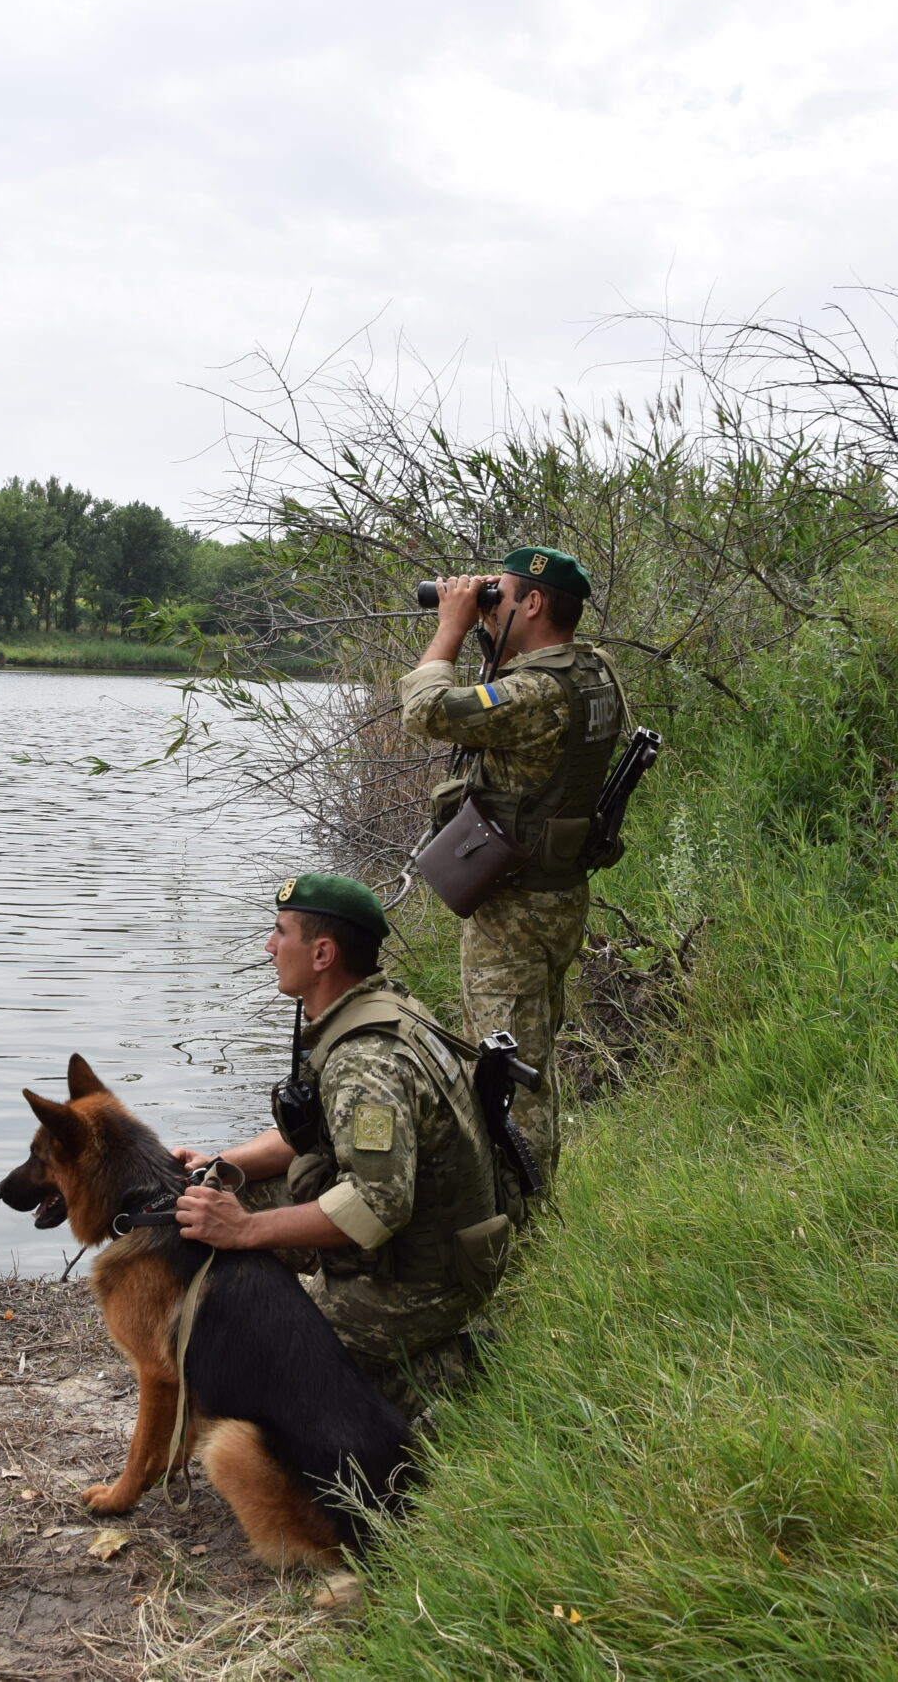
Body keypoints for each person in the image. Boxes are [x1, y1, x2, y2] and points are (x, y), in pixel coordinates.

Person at [169, 874, 511, 1414]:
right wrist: (220, 1164)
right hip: (423, 1241)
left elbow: (378, 1206)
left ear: (323, 953)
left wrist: (246, 1229)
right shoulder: (371, 1007)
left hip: (421, 1278)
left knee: (264, 1382)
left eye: (281, 933)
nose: (269, 946)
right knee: (211, 1209)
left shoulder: (365, 1062)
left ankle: (455, 1367)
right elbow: (317, 1132)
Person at [398, 546, 623, 1186]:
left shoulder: (535, 692)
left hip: (515, 908)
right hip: (558, 893)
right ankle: (523, 1204)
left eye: (501, 596)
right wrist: (488, 629)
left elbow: (424, 711)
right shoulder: (594, 671)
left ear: (532, 603)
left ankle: (520, 1222)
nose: (487, 608)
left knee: (507, 1072)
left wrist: (451, 626)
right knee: (530, 1055)